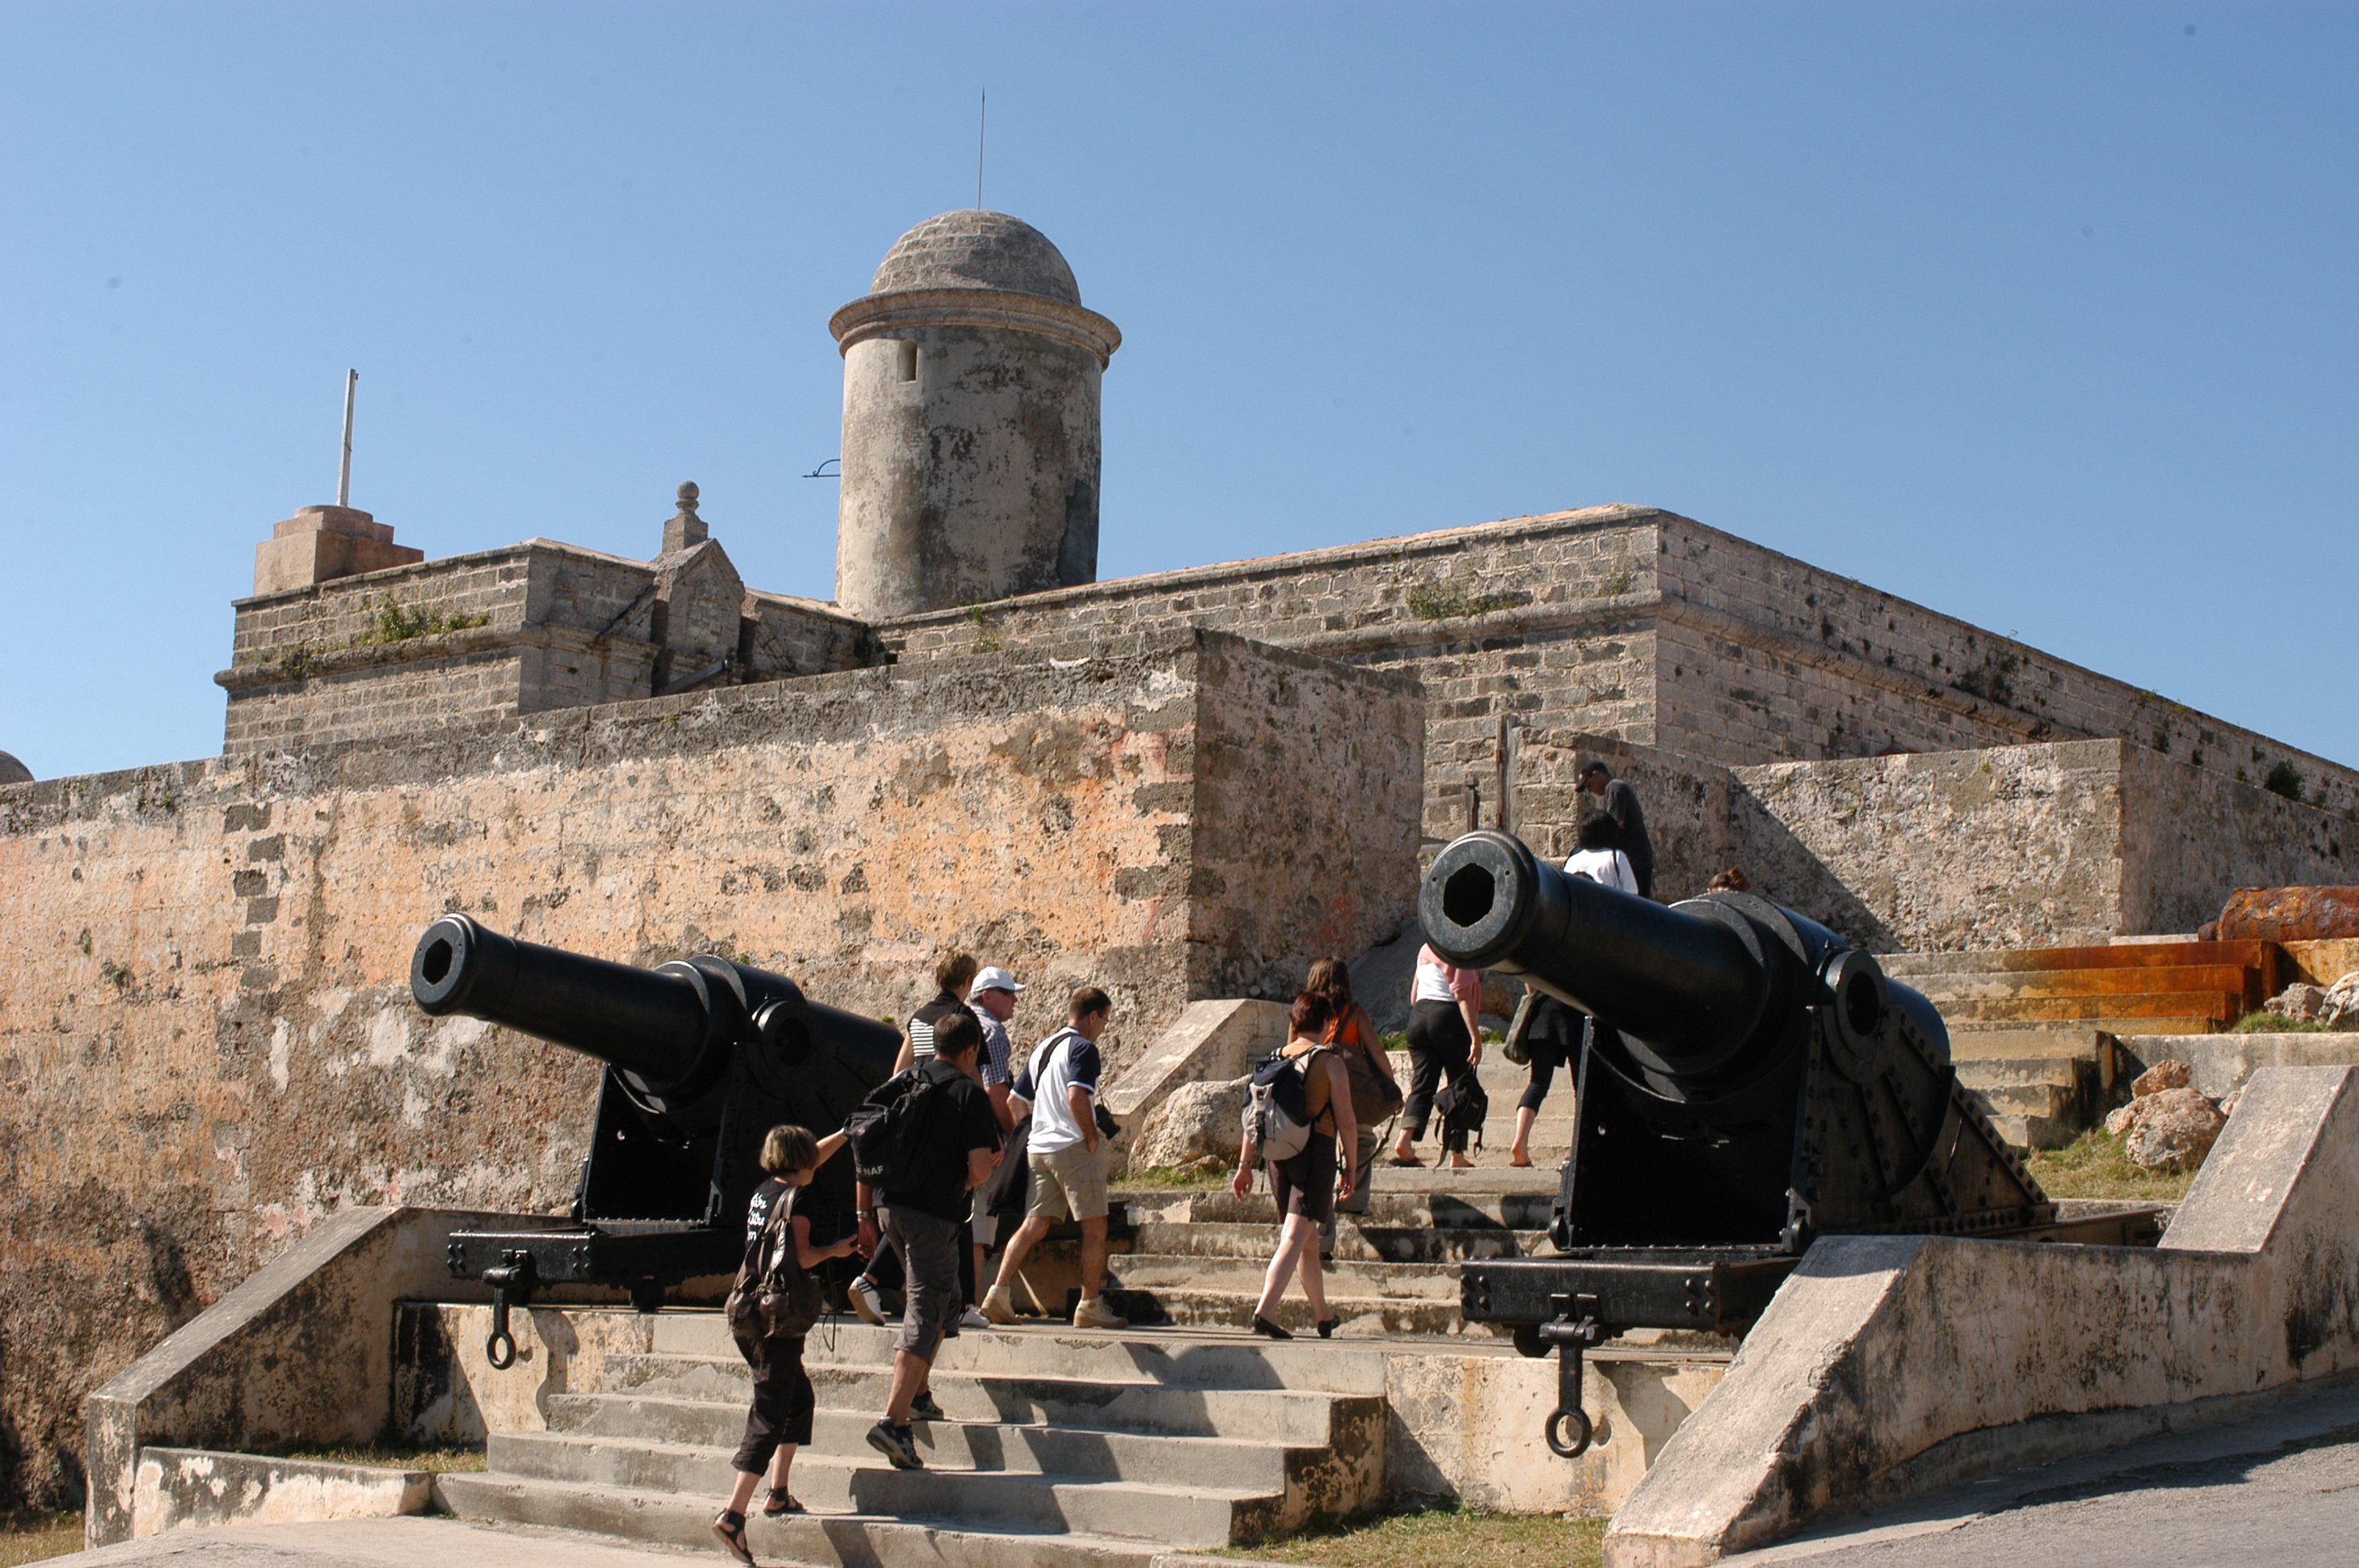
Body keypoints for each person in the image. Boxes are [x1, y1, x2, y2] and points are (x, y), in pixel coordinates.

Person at [855, 1009, 1003, 1472]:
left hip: (887, 1207)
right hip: (933, 1216)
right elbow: (980, 1168)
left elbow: (864, 1142)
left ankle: (918, 1396)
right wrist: (965, 1181)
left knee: (946, 1299)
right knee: (926, 1308)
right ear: (971, 1050)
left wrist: (865, 1213)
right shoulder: (968, 1094)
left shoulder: (904, 1081)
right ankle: (893, 1422)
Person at [712, 1123, 857, 1560]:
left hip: (747, 1312)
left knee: (799, 1401)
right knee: (770, 1411)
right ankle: (734, 1516)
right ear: (801, 1161)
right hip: (778, 1320)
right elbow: (803, 1256)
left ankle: (778, 1492)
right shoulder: (801, 1199)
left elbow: (815, 1156)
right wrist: (836, 1249)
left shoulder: (763, 1192)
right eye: (812, 1155)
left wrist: (847, 1132)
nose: (817, 1161)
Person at [979, 986, 1127, 1330]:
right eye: (1104, 1020)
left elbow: (1016, 1102)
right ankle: (1090, 1304)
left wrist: (1035, 1131)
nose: (1104, 1027)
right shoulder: (1085, 1048)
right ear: (1093, 1017)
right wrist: (1091, 1137)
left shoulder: (1044, 1048)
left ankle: (998, 1294)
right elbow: (1077, 1095)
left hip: (1039, 1149)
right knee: (1095, 1228)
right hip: (1072, 1147)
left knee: (1034, 1224)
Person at [852, 952, 983, 1328]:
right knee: (953, 1204)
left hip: (916, 1116)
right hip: (950, 1115)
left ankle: (879, 1282)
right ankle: (959, 1305)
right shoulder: (962, 1017)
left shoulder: (919, 1016)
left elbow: (899, 1070)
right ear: (967, 979)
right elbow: (970, 1070)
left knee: (919, 1205)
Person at [1232, 992, 1357, 1339]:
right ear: (1328, 1024)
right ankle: (1265, 1311)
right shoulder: (1329, 1062)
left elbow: (1253, 1119)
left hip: (1276, 1157)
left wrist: (1245, 1166)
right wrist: (1352, 1166)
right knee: (1295, 1235)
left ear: (1295, 1022)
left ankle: (1323, 1315)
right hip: (1314, 1152)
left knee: (1307, 1240)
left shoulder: (1273, 1059)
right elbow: (1346, 1121)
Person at [1305, 957, 1399, 1241]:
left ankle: (1322, 1238)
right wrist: (1390, 1085)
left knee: (1320, 1158)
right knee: (1364, 1139)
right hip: (1350, 1092)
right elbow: (1377, 1051)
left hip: (1316, 1092)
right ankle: (1355, 1201)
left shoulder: (1305, 1011)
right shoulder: (1354, 1012)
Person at [964, 965, 1025, 1316]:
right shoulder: (993, 1031)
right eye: (1008, 993)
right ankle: (973, 1301)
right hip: (981, 1136)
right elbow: (995, 1089)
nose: (1014, 1000)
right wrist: (1010, 1135)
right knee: (979, 1226)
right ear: (988, 996)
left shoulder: (954, 1021)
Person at [1392, 944, 1483, 1170]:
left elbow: (1414, 997)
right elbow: (1462, 995)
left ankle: (1404, 1140)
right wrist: (1475, 1037)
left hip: (1418, 1019)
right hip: (1447, 1017)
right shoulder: (1458, 949)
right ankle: (1456, 1154)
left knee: (1423, 1084)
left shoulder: (1425, 948)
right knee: (1460, 1086)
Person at [1578, 760, 1655, 899]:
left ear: (1597, 775)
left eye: (1589, 785)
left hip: (1634, 861)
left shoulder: (1614, 787)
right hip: (1634, 860)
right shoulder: (1612, 789)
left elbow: (1615, 824)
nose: (1590, 791)